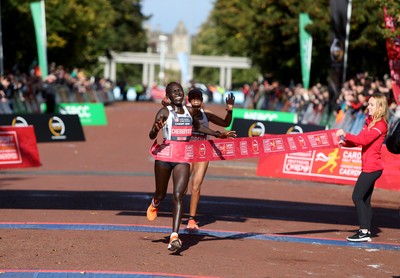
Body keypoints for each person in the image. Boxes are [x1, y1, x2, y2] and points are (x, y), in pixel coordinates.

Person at [147, 82, 236, 252]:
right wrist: (155, 129)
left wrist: (218, 134)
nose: (178, 93)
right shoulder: (164, 112)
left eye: (180, 90)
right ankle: (155, 202)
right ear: (169, 96)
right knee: (161, 193)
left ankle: (174, 235)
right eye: (174, 92)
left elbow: (199, 126)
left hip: (182, 158)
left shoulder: (191, 111)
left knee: (179, 195)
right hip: (165, 157)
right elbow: (151, 134)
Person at [336, 93, 388, 242]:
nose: (368, 107)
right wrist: (345, 142)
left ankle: (364, 232)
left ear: (380, 107)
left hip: (373, 167)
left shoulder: (381, 125)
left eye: (372, 105)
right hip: (369, 166)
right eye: (369, 104)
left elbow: (364, 140)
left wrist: (345, 134)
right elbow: (359, 141)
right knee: (364, 200)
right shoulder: (369, 121)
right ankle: (366, 231)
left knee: (357, 196)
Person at [186, 88, 235, 230]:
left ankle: (191, 219)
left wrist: (230, 109)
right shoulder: (183, 113)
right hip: (187, 150)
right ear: (189, 99)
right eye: (193, 97)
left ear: (202, 99)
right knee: (182, 187)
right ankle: (178, 213)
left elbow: (225, 123)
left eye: (198, 97)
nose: (196, 99)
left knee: (196, 185)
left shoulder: (206, 114)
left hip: (202, 151)